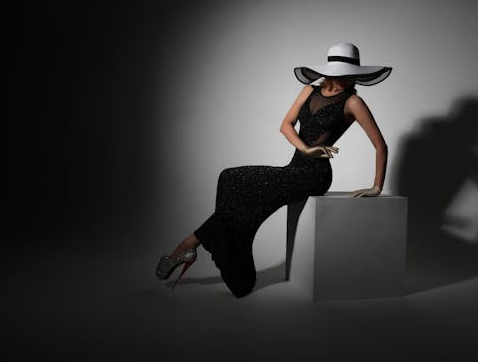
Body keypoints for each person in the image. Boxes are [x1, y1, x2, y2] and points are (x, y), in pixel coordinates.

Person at [156, 42, 393, 297]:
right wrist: (305, 149)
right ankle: (197, 249)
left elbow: (380, 145)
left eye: (350, 73)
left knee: (237, 187)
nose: (347, 77)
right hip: (294, 167)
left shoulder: (353, 102)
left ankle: (185, 249)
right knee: (230, 179)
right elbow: (286, 125)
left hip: (314, 176)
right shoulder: (308, 90)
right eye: (343, 72)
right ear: (332, 70)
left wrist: (377, 186)